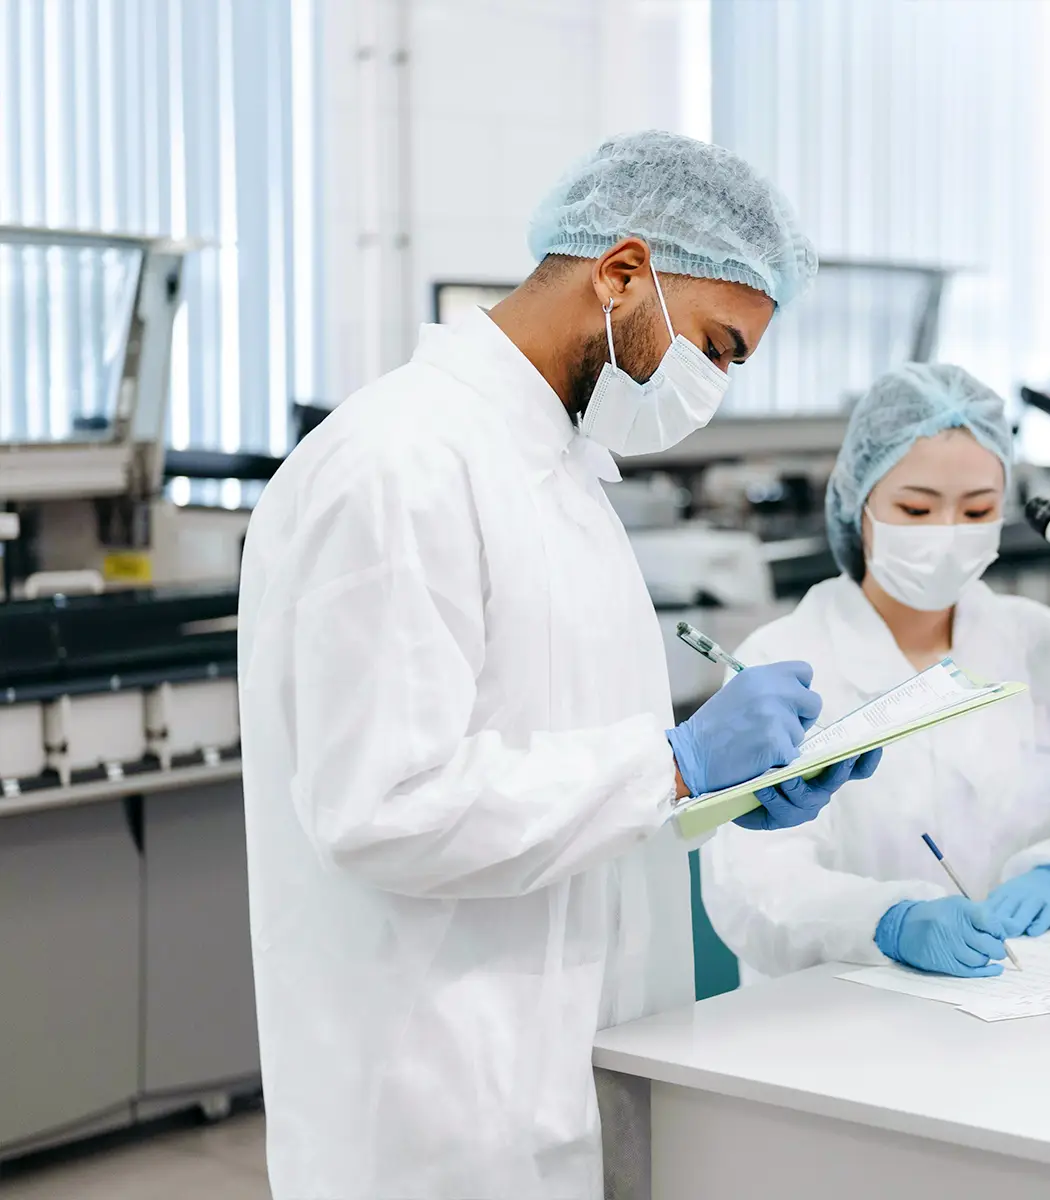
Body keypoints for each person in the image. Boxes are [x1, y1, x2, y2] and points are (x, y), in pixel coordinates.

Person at [238, 130, 879, 1200]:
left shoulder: (562, 469)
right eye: (717, 347)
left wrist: (718, 793)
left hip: (562, 1071)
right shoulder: (401, 465)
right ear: (621, 272)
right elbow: (384, 806)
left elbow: (557, 763)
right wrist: (672, 764)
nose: (714, 383)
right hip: (438, 1109)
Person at [702, 363, 1050, 987]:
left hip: (1016, 1002)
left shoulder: (1036, 642)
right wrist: (887, 920)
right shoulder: (780, 662)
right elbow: (752, 883)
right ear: (858, 504)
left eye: (977, 510)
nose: (948, 535)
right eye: (916, 509)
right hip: (834, 1016)